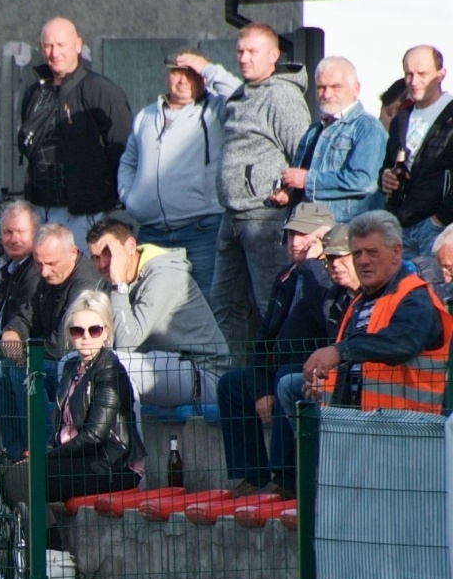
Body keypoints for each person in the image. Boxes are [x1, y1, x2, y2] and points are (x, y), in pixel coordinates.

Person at [173, 27, 311, 362]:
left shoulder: (282, 96)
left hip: (265, 218)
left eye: (252, 51)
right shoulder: (243, 94)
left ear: (273, 56)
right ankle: (236, 388)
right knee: (225, 305)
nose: (244, 58)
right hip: (232, 216)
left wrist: (288, 194)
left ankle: (281, 384)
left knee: (270, 305)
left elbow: (304, 153)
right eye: (240, 52)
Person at [3, 289, 145, 546]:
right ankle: (35, 550)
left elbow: (95, 436)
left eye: (94, 330)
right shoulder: (71, 368)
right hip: (79, 460)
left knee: (22, 478)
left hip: (110, 464)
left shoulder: (110, 369)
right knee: (5, 475)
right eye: (77, 331)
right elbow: (61, 429)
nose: (85, 338)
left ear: (107, 332)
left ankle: (51, 550)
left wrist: (46, 457)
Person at [216, 205, 336, 498]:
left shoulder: (329, 276)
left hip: (313, 368)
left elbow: (326, 316)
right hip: (279, 364)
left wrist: (312, 267)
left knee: (286, 377)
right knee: (231, 384)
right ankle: (252, 475)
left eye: (303, 234)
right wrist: (259, 389)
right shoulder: (284, 277)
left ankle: (286, 479)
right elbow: (263, 338)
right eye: (290, 234)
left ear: (324, 238)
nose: (294, 242)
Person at [282, 210, 453, 416]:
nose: (363, 261)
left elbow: (402, 341)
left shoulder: (414, 297)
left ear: (396, 252)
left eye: (372, 252)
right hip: (362, 424)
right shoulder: (360, 301)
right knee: (290, 386)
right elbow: (359, 366)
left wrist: (338, 351)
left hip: (407, 432)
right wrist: (326, 379)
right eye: (357, 253)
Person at [117, 49, 228, 299]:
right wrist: (129, 197)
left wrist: (209, 70)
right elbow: (128, 161)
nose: (182, 80)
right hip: (151, 230)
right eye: (176, 72)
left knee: (204, 302)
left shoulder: (216, 111)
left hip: (201, 229)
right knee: (148, 300)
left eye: (191, 74)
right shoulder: (146, 115)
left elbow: (243, 97)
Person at [86, 218, 230, 407]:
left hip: (205, 374)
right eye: (95, 258)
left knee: (114, 366)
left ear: (130, 246)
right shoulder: (111, 282)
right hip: (164, 367)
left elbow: (124, 346)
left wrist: (119, 286)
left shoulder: (164, 275)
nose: (103, 264)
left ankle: (128, 437)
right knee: (71, 363)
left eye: (108, 253)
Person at [16, 17, 133, 245]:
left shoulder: (100, 90)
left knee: (81, 274)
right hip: (39, 208)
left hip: (83, 212)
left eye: (61, 45)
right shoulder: (34, 93)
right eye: (48, 46)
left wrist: (113, 195)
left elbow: (124, 147)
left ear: (78, 45)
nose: (54, 52)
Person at [0, 223, 105, 458]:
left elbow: (64, 344)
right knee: (0, 370)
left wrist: (23, 355)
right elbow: (27, 316)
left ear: (72, 253)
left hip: (78, 366)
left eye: (51, 264)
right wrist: (11, 333)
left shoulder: (83, 284)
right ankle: (13, 455)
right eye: (38, 263)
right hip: (52, 359)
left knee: (24, 372)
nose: (44, 272)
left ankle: (43, 453)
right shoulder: (49, 278)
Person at [279, 57, 387, 222]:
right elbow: (301, 178)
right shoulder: (315, 129)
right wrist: (287, 192)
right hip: (309, 230)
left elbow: (364, 182)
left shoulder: (368, 127)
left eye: (336, 87)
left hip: (344, 234)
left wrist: (307, 180)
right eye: (321, 87)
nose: (327, 94)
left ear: (356, 88)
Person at [380, 46, 453, 259]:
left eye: (422, 74)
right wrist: (385, 177)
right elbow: (387, 164)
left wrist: (440, 218)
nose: (414, 81)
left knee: (438, 290)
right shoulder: (401, 117)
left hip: (438, 227)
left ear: (441, 74)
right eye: (408, 74)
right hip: (400, 225)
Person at [0, 201, 44, 335]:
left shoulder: (38, 270)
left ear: (36, 233)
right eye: (8, 232)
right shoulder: (9, 270)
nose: (14, 239)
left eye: (21, 232)